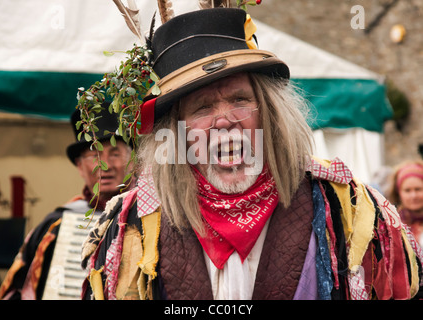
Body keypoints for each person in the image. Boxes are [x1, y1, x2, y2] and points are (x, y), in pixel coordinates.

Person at [80, 8, 422, 300]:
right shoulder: (131, 223)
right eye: (202, 107)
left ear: (270, 113)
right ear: (179, 130)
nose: (224, 120)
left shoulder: (349, 207)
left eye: (240, 100)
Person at [0, 104, 134, 300]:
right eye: (94, 155)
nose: (106, 165)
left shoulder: (150, 216)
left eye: (115, 154)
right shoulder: (55, 225)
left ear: (130, 159)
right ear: (80, 166)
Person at [387, 160, 423, 248]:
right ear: (399, 193)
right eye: (407, 190)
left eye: (418, 189)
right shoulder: (391, 226)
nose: (413, 196)